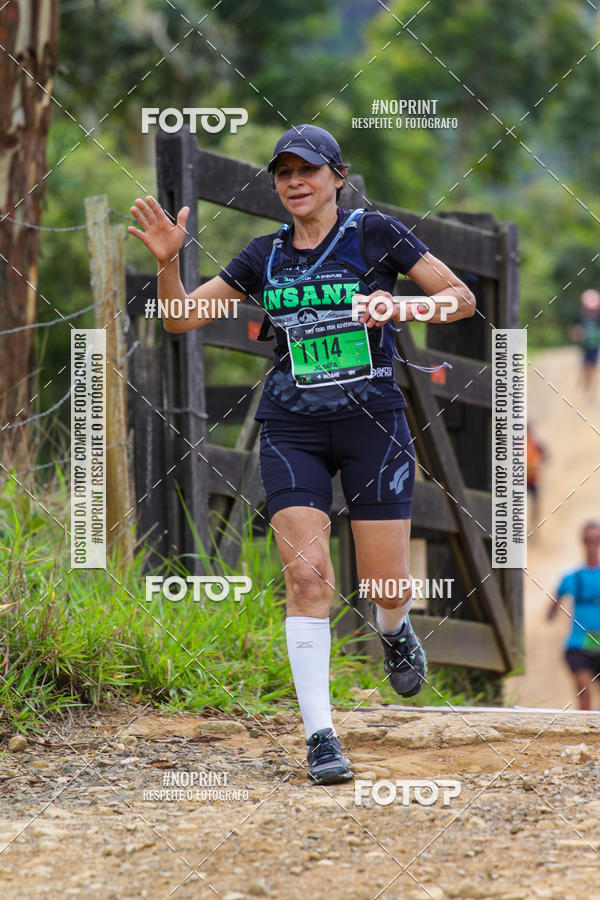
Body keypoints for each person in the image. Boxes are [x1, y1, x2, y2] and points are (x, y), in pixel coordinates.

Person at [128, 124, 476, 784]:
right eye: (283, 172)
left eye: (307, 170)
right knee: (308, 579)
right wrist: (169, 262)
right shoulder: (262, 256)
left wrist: (401, 306)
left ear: (336, 177)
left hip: (373, 425)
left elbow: (461, 299)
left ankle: (394, 630)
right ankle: (320, 736)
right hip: (293, 428)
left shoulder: (375, 234)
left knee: (387, 585)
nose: (294, 182)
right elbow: (179, 318)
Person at [548, 521, 600, 710]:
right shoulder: (572, 575)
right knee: (584, 692)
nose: (592, 545)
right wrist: (552, 611)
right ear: (583, 542)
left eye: (596, 540)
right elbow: (555, 601)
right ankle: (585, 727)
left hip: (597, 641)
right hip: (578, 643)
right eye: (588, 540)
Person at [570, 288, 600, 397]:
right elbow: (573, 331)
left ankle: (590, 386)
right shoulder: (580, 316)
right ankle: (587, 384)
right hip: (584, 346)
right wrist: (578, 334)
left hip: (595, 345)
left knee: (594, 367)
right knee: (586, 366)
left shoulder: (598, 317)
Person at [526, 421, 547, 531]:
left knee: (534, 504)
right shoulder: (531, 443)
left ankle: (533, 526)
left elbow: (544, 455)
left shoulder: (534, 444)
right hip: (524, 480)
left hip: (530, 480)